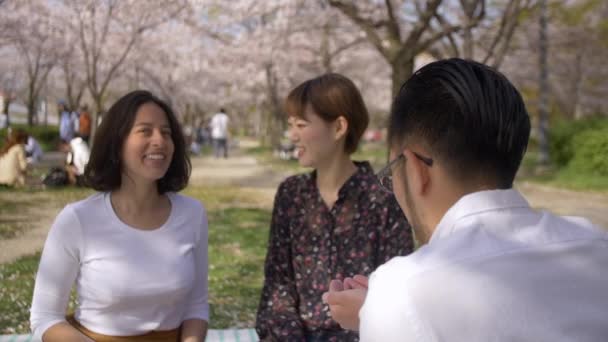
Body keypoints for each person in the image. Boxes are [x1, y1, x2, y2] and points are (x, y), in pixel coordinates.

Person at [324, 58, 608, 341]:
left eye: (391, 173)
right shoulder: (596, 245)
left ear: (415, 169)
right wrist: (380, 312)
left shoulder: (401, 289)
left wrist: (383, 311)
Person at [30, 90, 209, 341]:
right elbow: (45, 316)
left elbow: (197, 305)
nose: (159, 141)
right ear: (117, 143)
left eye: (166, 132)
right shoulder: (77, 219)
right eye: (145, 131)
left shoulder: (192, 214)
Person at [256, 73, 414, 341]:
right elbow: (278, 284)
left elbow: (396, 294)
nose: (292, 135)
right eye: (291, 125)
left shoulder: (384, 199)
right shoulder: (291, 194)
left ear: (339, 127)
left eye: (301, 124)